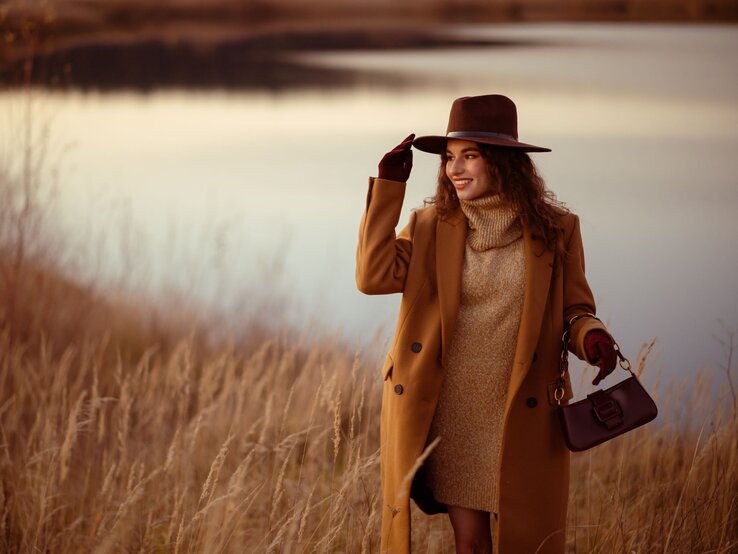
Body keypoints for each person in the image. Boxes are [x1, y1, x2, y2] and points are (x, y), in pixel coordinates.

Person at [355, 94, 618, 554]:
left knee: (528, 540)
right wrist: (388, 189)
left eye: (470, 156)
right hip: (453, 409)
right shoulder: (427, 225)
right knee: (471, 544)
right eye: (450, 158)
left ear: (503, 162)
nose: (455, 169)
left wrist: (590, 336)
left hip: (522, 409)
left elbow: (576, 308)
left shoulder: (558, 231)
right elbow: (373, 276)